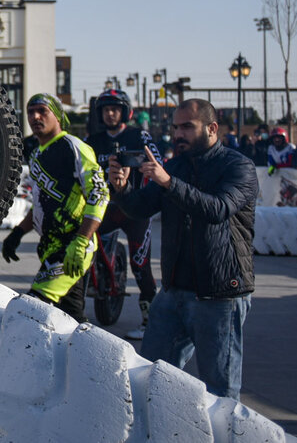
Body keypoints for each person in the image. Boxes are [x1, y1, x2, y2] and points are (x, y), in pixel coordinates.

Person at [108, 99, 257, 399]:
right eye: (175, 127)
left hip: (219, 295)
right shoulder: (175, 166)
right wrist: (121, 188)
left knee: (220, 393)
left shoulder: (238, 166)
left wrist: (168, 182)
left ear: (212, 129)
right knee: (148, 378)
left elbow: (217, 209)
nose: (178, 134)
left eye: (187, 126)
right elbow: (141, 208)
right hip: (174, 291)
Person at [2, 94, 108, 322]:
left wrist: (81, 241)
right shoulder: (37, 153)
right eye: (30, 112)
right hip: (51, 247)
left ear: (58, 115)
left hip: (74, 245)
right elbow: (41, 203)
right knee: (71, 319)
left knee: (31, 310)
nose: (35, 116)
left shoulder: (74, 147)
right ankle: (86, 355)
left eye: (42, 110)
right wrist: (18, 233)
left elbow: (100, 194)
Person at [84, 89, 163, 339]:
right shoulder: (92, 140)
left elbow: (158, 165)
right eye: (105, 109)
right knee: (81, 245)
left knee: (140, 263)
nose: (109, 113)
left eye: (115, 109)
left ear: (125, 112)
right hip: (105, 208)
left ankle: (150, 320)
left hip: (136, 208)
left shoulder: (140, 136)